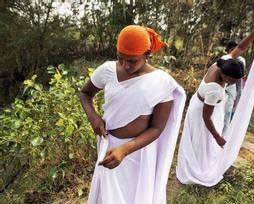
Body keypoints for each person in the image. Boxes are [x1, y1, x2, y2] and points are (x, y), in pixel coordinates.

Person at [79, 25, 186, 204]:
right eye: (120, 58)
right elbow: (85, 94)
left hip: (139, 153)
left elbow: (157, 128)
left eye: (132, 61)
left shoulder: (161, 83)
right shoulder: (107, 70)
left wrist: (125, 150)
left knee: (134, 197)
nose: (125, 65)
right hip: (109, 147)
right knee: (107, 196)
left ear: (147, 55)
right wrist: (93, 117)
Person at [176, 19, 254, 186]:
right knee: (202, 142)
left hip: (207, 106)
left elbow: (240, 47)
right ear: (225, 76)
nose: (233, 84)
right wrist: (218, 137)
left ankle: (202, 163)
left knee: (204, 143)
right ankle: (196, 172)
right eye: (232, 81)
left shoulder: (224, 62)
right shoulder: (215, 89)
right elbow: (206, 118)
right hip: (202, 112)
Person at [222, 41, 246, 135]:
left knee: (226, 118)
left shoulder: (240, 62)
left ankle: (222, 140)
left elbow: (240, 84)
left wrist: (237, 102)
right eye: (231, 50)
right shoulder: (225, 60)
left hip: (230, 94)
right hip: (221, 93)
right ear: (227, 50)